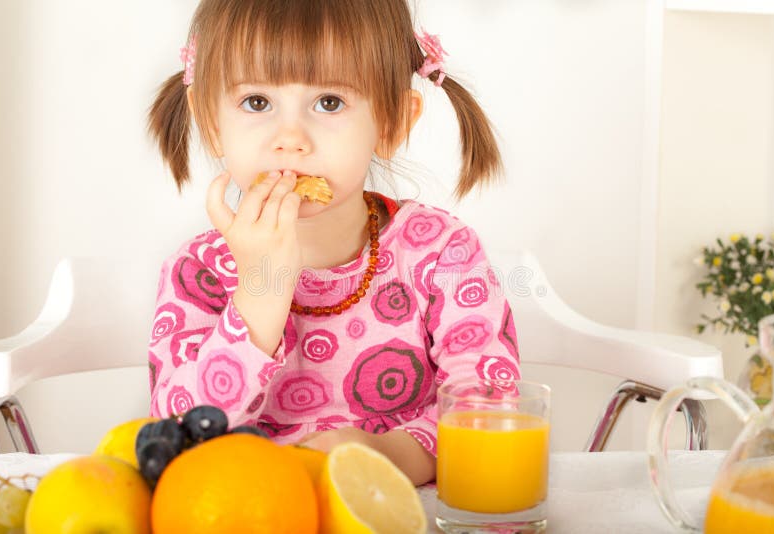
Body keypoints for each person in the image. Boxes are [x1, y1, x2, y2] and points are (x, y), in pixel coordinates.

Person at [146, 0, 519, 486]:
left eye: (330, 103)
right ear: (211, 122)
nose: (291, 138)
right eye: (257, 102)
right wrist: (260, 292)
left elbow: (487, 404)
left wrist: (381, 455)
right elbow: (176, 437)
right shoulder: (198, 271)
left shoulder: (442, 253)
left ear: (392, 124)